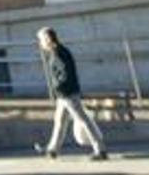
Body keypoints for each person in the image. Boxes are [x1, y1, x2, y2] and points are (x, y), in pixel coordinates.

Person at [33, 28, 109, 161]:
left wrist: (59, 88)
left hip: (67, 93)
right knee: (60, 121)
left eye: (41, 40)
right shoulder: (58, 51)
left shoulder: (58, 53)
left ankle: (100, 150)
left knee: (83, 119)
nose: (40, 44)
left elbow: (64, 74)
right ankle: (52, 149)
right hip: (64, 94)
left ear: (47, 39)